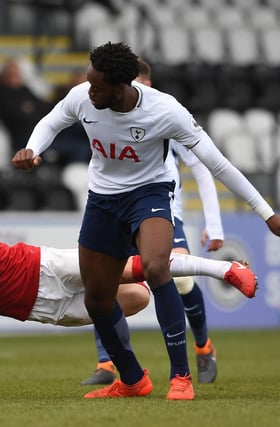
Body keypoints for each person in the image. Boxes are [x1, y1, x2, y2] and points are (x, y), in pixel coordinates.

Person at [11, 42, 280, 400]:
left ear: (120, 88)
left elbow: (217, 164)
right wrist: (33, 149)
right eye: (89, 84)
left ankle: (180, 377)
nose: (89, 92)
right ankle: (133, 379)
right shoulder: (83, 98)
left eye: (97, 87)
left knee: (155, 267)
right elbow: (52, 121)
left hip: (148, 194)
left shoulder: (165, 111)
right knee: (97, 299)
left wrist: (267, 213)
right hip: (102, 200)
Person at [0, 180, 257, 401]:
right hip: (43, 310)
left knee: (133, 267)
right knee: (138, 297)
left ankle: (225, 269)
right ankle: (133, 380)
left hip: (45, 267)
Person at [80, 58, 224, 386]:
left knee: (182, 280)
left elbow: (203, 166)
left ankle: (203, 348)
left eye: (145, 89)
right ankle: (108, 364)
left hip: (162, 211)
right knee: (104, 283)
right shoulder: (107, 115)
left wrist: (213, 224)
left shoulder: (165, 116)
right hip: (116, 207)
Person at [0, 58, 52, 153]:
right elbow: (13, 114)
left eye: (17, 74)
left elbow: (43, 105)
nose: (16, 77)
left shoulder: (24, 89)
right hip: (20, 135)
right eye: (11, 75)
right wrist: (29, 109)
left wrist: (32, 108)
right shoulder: (2, 91)